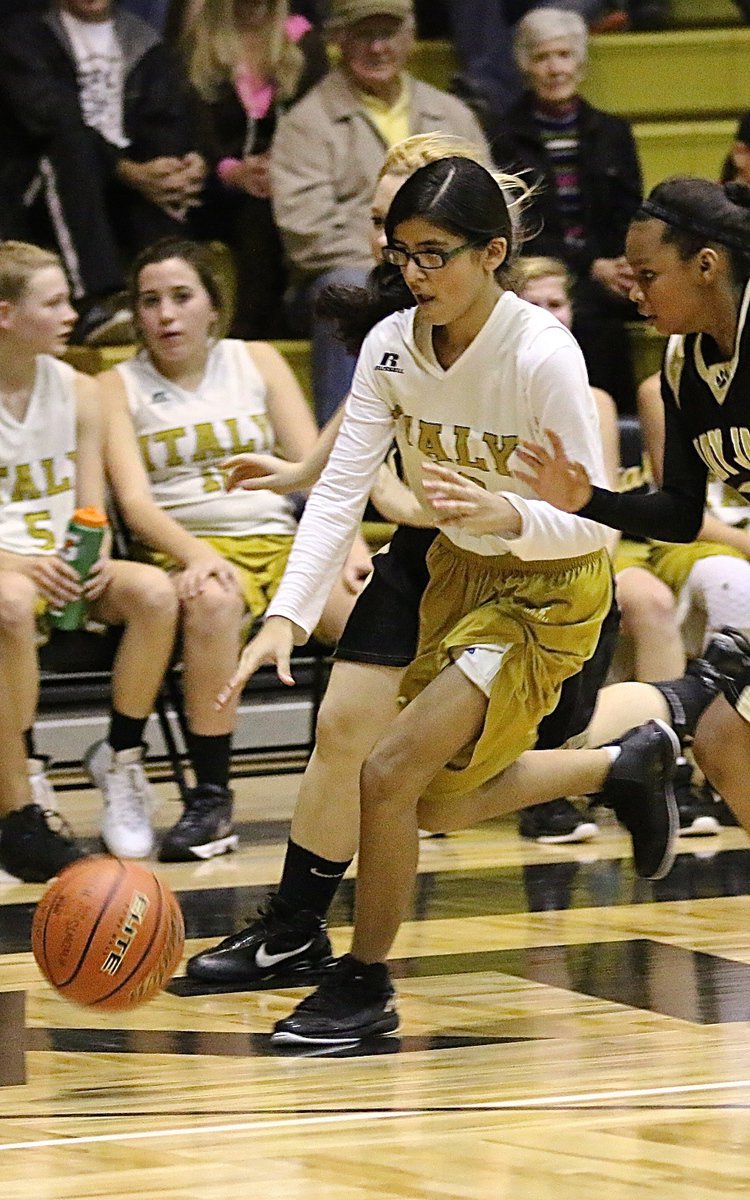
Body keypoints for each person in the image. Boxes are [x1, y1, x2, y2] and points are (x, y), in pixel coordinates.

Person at [204, 155, 694, 1046]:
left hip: (547, 590)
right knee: (423, 802)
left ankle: (363, 983)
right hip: (455, 578)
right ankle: (624, 765)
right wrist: (282, 612)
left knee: (387, 774)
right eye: (402, 255)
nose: (415, 274)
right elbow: (342, 488)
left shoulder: (543, 352)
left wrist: (512, 511)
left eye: (436, 254)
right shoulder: (394, 343)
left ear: (492, 253)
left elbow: (593, 533)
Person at [98, 236, 370, 862]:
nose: (165, 314)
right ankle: (213, 798)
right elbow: (135, 502)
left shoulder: (257, 362)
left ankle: (377, 777)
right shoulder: (117, 385)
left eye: (180, 297)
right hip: (189, 542)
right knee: (214, 604)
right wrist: (194, 554)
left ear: (213, 307)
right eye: (149, 301)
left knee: (360, 608)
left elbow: (316, 468)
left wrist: (351, 543)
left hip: (282, 537)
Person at [514, 175, 750, 839]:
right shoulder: (680, 366)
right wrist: (588, 499)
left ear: (707, 265)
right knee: (723, 744)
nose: (635, 294)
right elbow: (679, 512)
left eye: (648, 274)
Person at [0, 241, 180, 883]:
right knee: (11, 602)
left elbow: (89, 506)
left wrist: (95, 551)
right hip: (9, 575)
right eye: (53, 303)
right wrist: (20, 564)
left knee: (154, 592)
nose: (72, 313)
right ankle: (20, 788)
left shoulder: (77, 389)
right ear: (6, 315)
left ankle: (123, 754)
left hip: (63, 568)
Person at [269, 0, 490, 425]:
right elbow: (306, 233)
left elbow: (489, 202)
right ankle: (347, 460)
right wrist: (400, 265)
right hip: (346, 270)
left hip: (441, 265)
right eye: (363, 35)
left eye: (387, 34)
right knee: (351, 294)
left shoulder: (450, 114)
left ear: (409, 38)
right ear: (339, 41)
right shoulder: (307, 122)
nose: (377, 48)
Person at [0, 0, 206, 346]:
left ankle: (172, 309)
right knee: (71, 148)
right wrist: (124, 168)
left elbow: (166, 117)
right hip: (39, 186)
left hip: (127, 180)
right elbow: (48, 118)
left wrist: (181, 162)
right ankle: (94, 302)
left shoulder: (144, 41)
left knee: (169, 170)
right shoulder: (24, 36)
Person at [488, 6, 643, 412]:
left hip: (609, 270)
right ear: (524, 66)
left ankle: (624, 433)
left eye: (564, 55)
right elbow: (518, 224)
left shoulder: (614, 132)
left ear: (581, 62)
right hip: (537, 269)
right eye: (541, 57)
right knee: (588, 314)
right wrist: (592, 264)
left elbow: (630, 213)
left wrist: (624, 264)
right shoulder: (503, 136)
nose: (555, 68)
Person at [178, 0, 329, 338]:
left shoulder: (304, 42)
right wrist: (230, 170)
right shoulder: (199, 39)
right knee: (254, 204)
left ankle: (257, 328)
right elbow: (191, 126)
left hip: (285, 178)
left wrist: (282, 164)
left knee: (266, 203)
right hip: (213, 183)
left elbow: (318, 120)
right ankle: (251, 329)